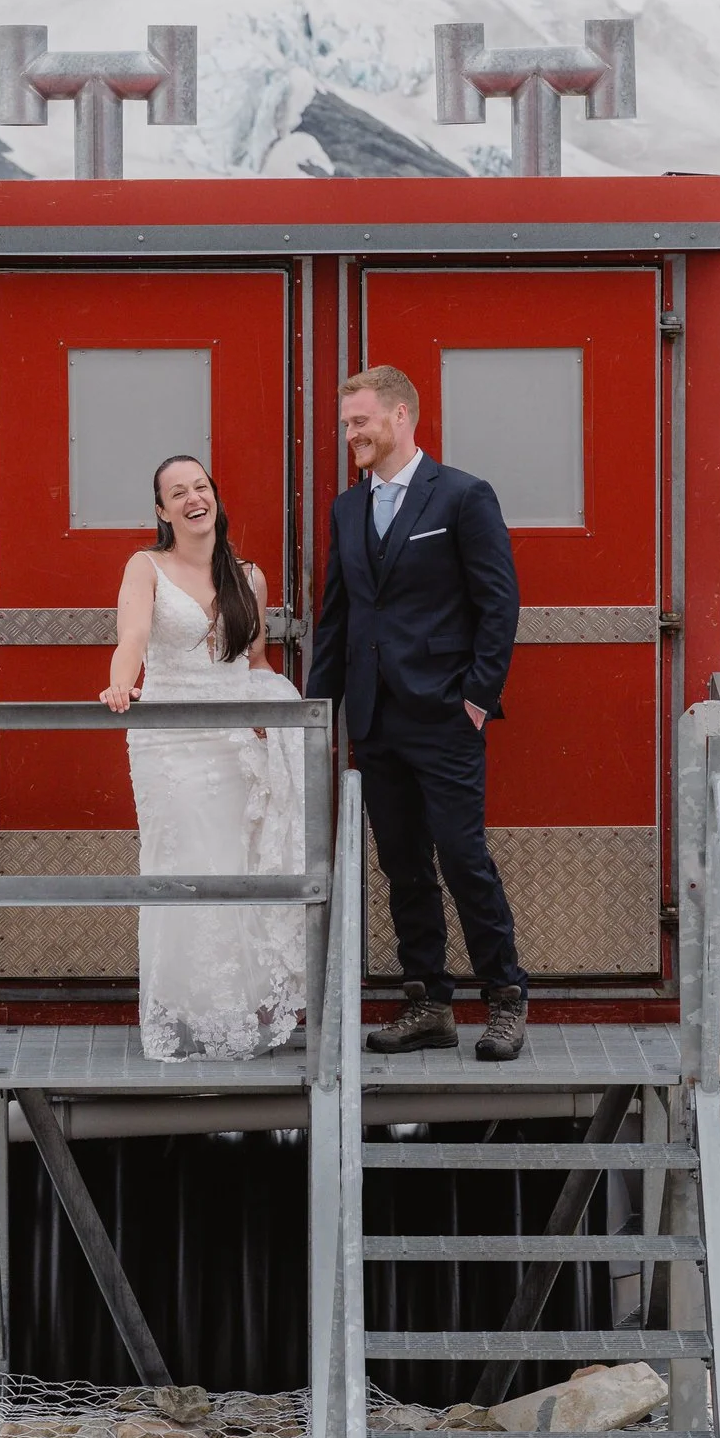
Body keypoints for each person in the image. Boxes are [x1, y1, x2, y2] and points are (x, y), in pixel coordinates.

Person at [308, 364, 526, 1062]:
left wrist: (475, 699)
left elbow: (499, 604)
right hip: (373, 718)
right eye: (346, 425)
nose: (352, 435)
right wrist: (321, 712)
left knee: (463, 858)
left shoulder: (463, 496)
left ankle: (506, 997)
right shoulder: (348, 508)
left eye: (360, 422)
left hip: (443, 714)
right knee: (402, 865)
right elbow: (337, 618)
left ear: (402, 417)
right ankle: (429, 1002)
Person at [100, 455, 304, 1062]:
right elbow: (132, 637)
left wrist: (272, 717)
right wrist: (120, 684)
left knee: (239, 861)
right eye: (177, 492)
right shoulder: (146, 567)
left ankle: (242, 1014)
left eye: (201, 486)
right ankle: (190, 1016)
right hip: (170, 740)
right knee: (184, 860)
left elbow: (258, 662)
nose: (194, 498)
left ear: (214, 496)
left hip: (236, 742)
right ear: (162, 511)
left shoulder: (251, 577)